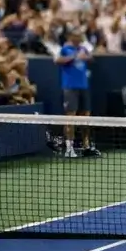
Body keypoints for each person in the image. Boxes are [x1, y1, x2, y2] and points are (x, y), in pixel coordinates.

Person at [55, 28, 99, 158]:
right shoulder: (65, 49)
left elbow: (91, 59)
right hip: (70, 87)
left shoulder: (83, 48)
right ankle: (69, 148)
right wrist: (74, 56)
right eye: (78, 36)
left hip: (83, 87)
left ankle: (86, 146)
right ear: (71, 37)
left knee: (86, 116)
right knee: (70, 117)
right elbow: (57, 61)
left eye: (81, 36)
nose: (80, 38)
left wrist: (87, 57)